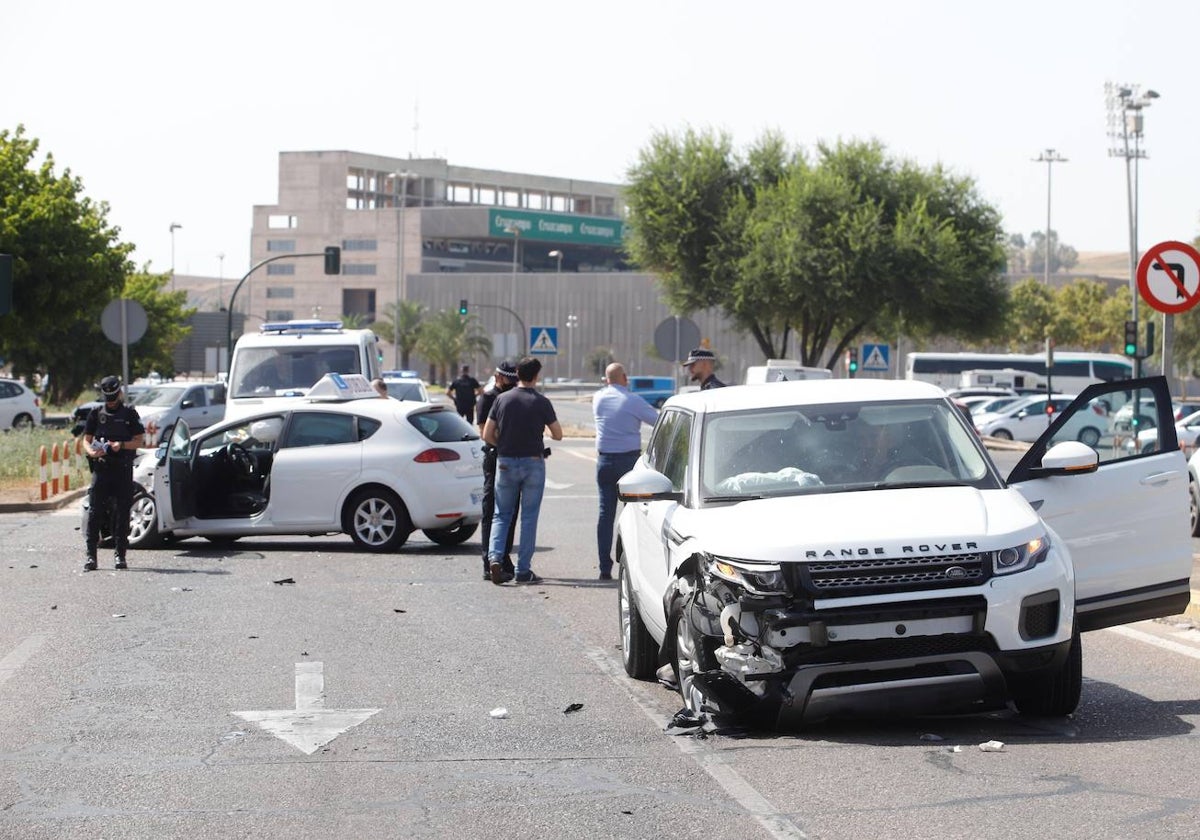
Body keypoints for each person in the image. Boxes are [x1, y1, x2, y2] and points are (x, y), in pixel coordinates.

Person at [482, 356, 563, 585]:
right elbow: (558, 434)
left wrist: (505, 445)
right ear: (536, 376)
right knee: (528, 518)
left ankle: (495, 559)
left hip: (506, 461)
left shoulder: (502, 400)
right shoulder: (542, 402)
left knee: (501, 514)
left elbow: (487, 434)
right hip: (533, 462)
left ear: (517, 373)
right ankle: (523, 570)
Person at [593, 363, 659, 580]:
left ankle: (604, 567)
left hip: (604, 461)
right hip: (628, 462)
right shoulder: (632, 400)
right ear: (623, 377)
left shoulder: (598, 398)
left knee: (605, 514)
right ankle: (634, 565)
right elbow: (657, 421)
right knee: (634, 514)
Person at [83, 375, 146, 572]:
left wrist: (122, 445)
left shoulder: (129, 413)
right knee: (95, 513)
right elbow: (86, 439)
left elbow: (139, 440)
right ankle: (91, 556)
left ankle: (120, 556)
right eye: (107, 397)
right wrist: (92, 451)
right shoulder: (95, 413)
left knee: (122, 513)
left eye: (113, 396)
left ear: (119, 393)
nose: (110, 401)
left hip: (122, 469)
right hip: (102, 469)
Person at [475, 360, 520, 581]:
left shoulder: (515, 397)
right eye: (508, 379)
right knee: (491, 511)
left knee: (511, 513)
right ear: (498, 377)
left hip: (513, 458)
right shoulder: (488, 397)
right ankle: (488, 560)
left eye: (515, 380)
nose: (512, 384)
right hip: (495, 458)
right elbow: (484, 430)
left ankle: (502, 556)